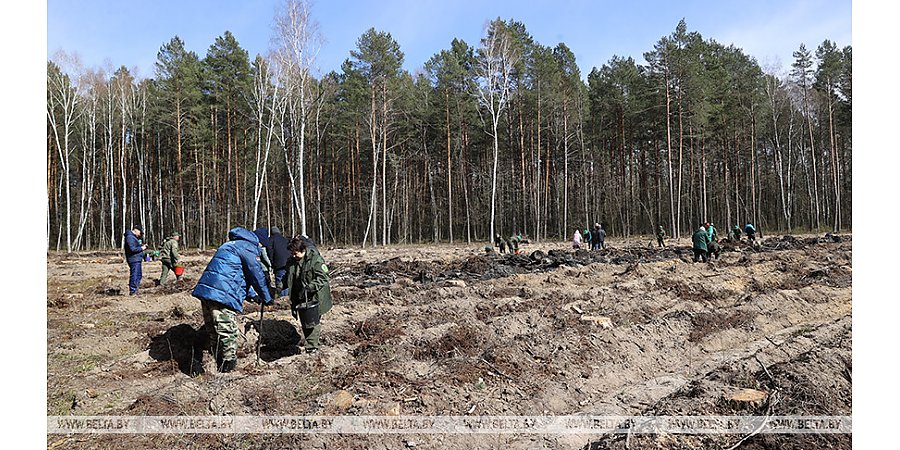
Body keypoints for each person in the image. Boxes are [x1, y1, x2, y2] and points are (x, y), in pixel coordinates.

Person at [191, 227, 273, 372]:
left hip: (208, 289)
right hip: (222, 294)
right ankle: (228, 365)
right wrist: (266, 297)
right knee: (226, 329)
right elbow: (256, 274)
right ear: (260, 243)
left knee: (213, 330)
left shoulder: (230, 244)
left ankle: (217, 361)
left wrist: (253, 295)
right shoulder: (248, 247)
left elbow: (237, 273)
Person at [284, 235, 333, 354]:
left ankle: (312, 347)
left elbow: (324, 278)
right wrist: (280, 286)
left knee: (312, 321)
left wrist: (311, 286)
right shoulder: (291, 262)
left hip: (316, 296)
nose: (294, 256)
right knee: (305, 321)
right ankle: (312, 344)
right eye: (292, 254)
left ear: (303, 250)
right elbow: (288, 277)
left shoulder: (315, 260)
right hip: (300, 295)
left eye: (296, 253)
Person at [124, 226, 148, 295]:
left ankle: (135, 290)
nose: (140, 235)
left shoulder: (132, 237)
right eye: (140, 233)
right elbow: (132, 249)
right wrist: (141, 248)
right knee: (135, 275)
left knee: (138, 275)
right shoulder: (130, 237)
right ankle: (133, 291)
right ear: (136, 230)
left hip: (136, 259)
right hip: (134, 259)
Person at [269, 226, 291, 295]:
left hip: (279, 264)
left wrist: (272, 263)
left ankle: (282, 299)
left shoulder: (271, 240)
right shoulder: (285, 239)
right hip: (288, 263)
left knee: (280, 283)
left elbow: (270, 253)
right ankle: (287, 297)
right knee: (286, 281)